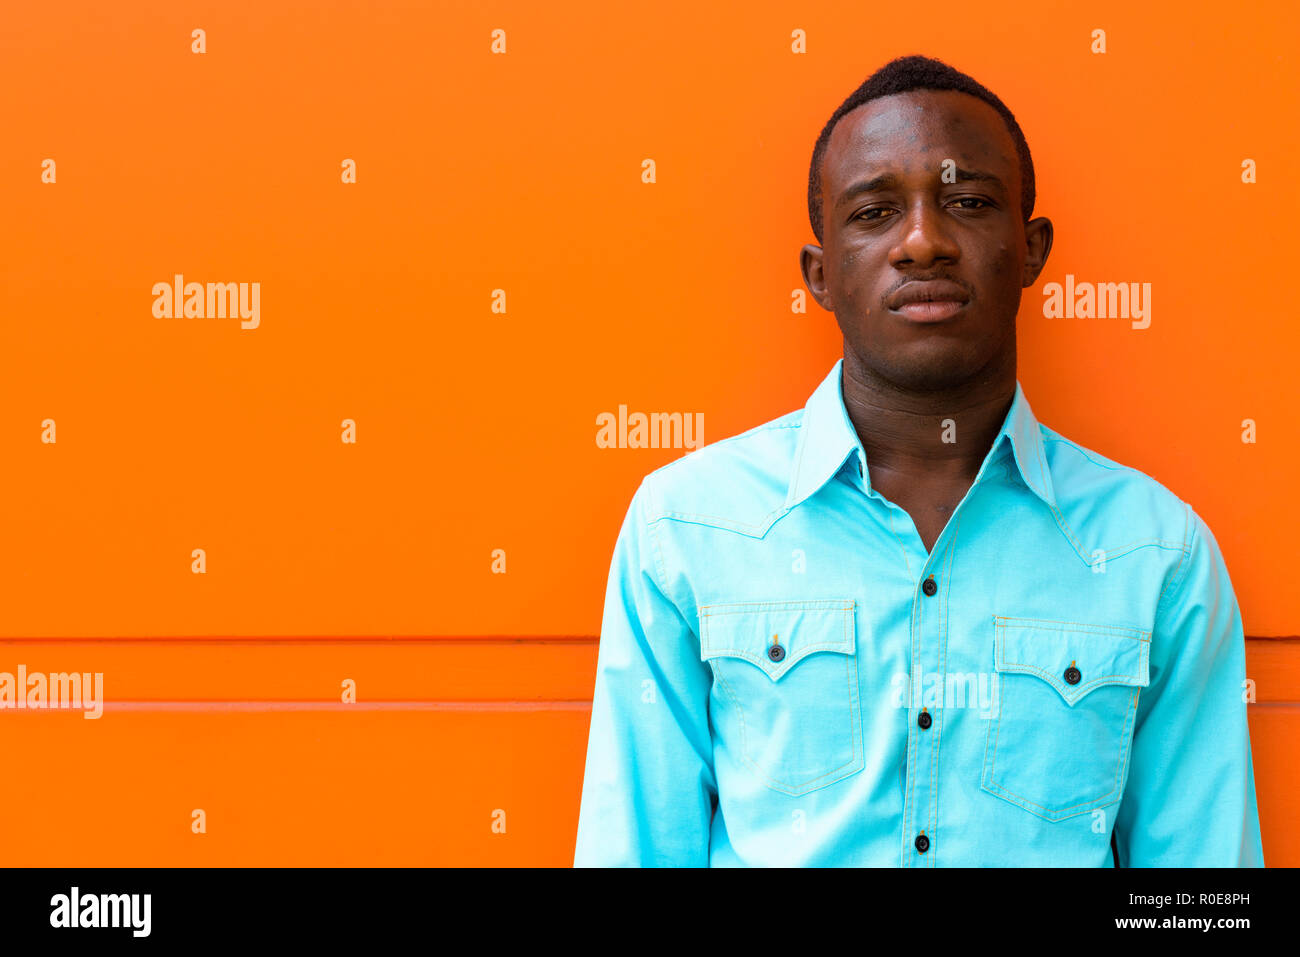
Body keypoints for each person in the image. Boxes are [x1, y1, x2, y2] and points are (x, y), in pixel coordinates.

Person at [573, 54, 1264, 866]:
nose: (924, 242)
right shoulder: (688, 528)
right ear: (821, 274)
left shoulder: (1156, 553)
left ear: (1032, 249)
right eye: (874, 212)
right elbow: (636, 849)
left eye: (968, 203)